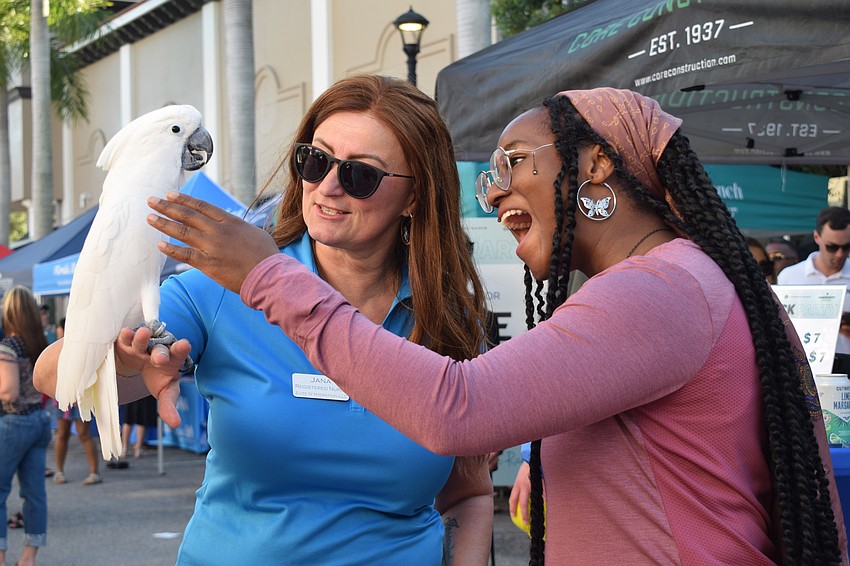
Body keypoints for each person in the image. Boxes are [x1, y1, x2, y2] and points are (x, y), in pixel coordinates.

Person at [139, 87, 849, 565]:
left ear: (596, 165)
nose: (496, 189)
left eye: (514, 162)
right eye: (314, 162)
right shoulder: (666, 283)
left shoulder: (656, 289)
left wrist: (267, 276)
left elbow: (460, 410)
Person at [35, 75, 494, 565]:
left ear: (415, 196)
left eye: (360, 175)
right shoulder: (227, 282)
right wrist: (128, 363)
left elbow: (468, 492)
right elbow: (51, 373)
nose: (327, 187)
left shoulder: (447, 319)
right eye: (314, 161)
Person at [0, 286, 51, 566]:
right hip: (39, 419)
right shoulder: (40, 344)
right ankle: (29, 557)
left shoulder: (8, 347)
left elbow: (8, 392)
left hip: (14, 421)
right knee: (34, 494)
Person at [777, 206, 850, 354]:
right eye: (832, 247)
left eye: (847, 246)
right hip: (802, 363)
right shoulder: (788, 277)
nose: (839, 254)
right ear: (817, 237)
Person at [51, 318, 102, 486]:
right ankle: (59, 471)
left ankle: (94, 472)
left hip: (80, 397)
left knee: (84, 434)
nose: (58, 332)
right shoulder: (56, 348)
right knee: (62, 434)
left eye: (60, 329)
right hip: (61, 397)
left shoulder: (82, 348)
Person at [120, 395, 156, 460]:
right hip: (143, 394)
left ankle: (124, 449)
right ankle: (138, 449)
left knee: (128, 419)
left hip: (130, 393)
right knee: (142, 419)